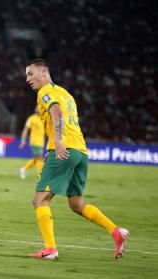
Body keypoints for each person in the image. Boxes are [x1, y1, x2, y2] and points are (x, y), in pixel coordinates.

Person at [25, 59, 129, 259]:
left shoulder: (45, 92)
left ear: (44, 72)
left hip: (63, 150)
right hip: (81, 152)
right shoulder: (66, 94)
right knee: (76, 204)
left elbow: (56, 113)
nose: (27, 79)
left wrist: (57, 143)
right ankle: (116, 232)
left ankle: (50, 249)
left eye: (30, 74)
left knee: (40, 200)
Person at [19, 106, 45, 180]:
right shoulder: (31, 118)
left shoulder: (43, 119)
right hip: (34, 142)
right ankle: (40, 176)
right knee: (39, 158)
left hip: (41, 142)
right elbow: (25, 130)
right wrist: (23, 140)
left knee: (36, 158)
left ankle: (23, 169)